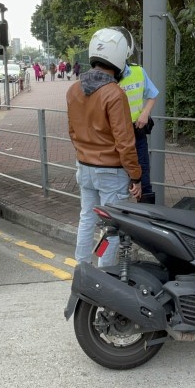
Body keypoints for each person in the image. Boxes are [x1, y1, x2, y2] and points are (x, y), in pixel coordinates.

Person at [67, 28, 142, 266]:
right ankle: (105, 274)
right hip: (111, 170)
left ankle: (81, 268)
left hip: (84, 166)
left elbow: (72, 131)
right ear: (119, 59)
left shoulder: (73, 89)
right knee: (112, 225)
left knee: (87, 218)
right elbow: (124, 141)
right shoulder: (114, 94)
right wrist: (136, 176)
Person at [113, 27, 159, 204]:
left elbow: (153, 93)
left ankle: (147, 221)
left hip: (137, 133)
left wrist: (145, 114)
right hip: (115, 136)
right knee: (118, 180)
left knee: (143, 178)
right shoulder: (106, 76)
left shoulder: (138, 71)